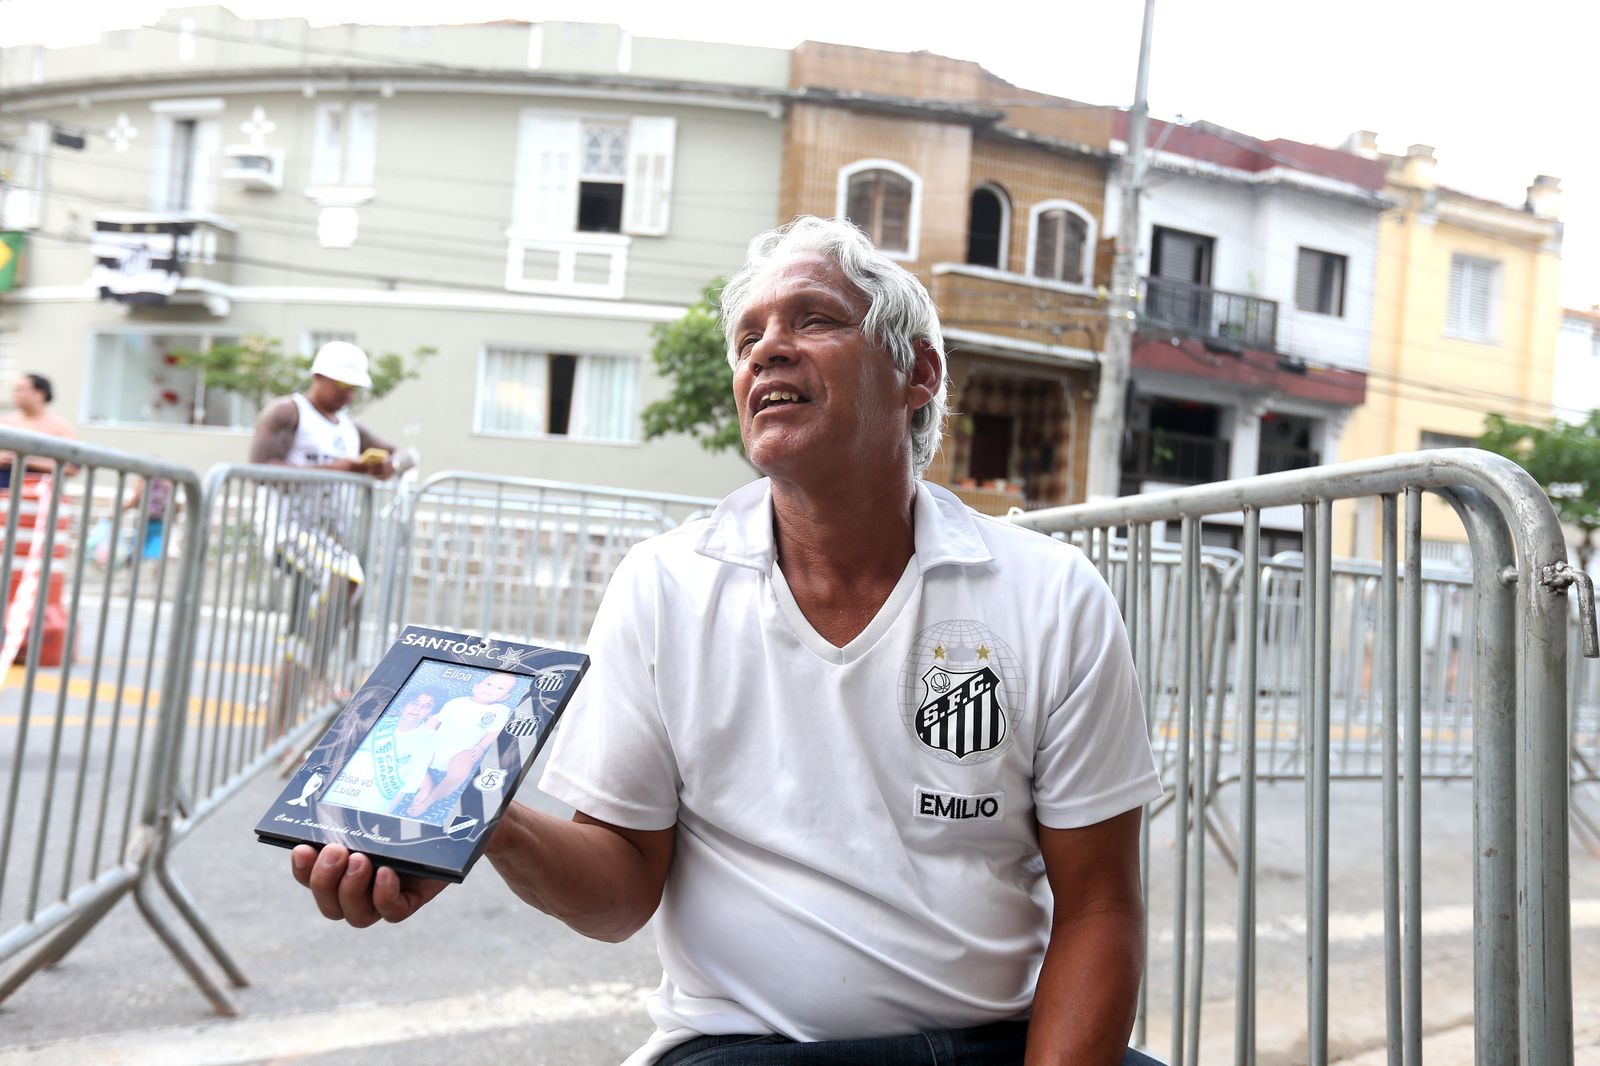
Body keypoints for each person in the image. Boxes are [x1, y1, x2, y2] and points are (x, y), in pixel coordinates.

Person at [291, 216, 1164, 1066]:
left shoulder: (1052, 593)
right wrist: (487, 825)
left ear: (918, 373)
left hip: (1000, 1047)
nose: (767, 350)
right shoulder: (666, 586)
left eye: (813, 319)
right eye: (749, 338)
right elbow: (621, 888)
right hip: (747, 1051)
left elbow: (1099, 908)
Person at [249, 341, 399, 478]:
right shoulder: (287, 412)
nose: (350, 394)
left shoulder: (351, 429)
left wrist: (391, 465)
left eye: (354, 387)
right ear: (318, 376)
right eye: (343, 385)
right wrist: (332, 470)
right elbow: (260, 471)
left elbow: (403, 454)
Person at [399, 671, 521, 824]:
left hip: (461, 752)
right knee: (413, 757)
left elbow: (494, 732)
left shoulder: (499, 711)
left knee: (464, 763)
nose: (491, 689)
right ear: (475, 687)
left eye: (500, 689)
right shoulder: (457, 702)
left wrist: (481, 747)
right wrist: (426, 734)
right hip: (436, 745)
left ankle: (431, 798)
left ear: (504, 698)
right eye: (488, 684)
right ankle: (426, 785)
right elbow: (435, 720)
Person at [0, 373, 79, 489]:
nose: (14, 394)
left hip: (38, 496)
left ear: (40, 394)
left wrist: (26, 461)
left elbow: (72, 468)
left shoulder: (60, 426)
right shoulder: (4, 422)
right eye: (14, 390)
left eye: (20, 389)